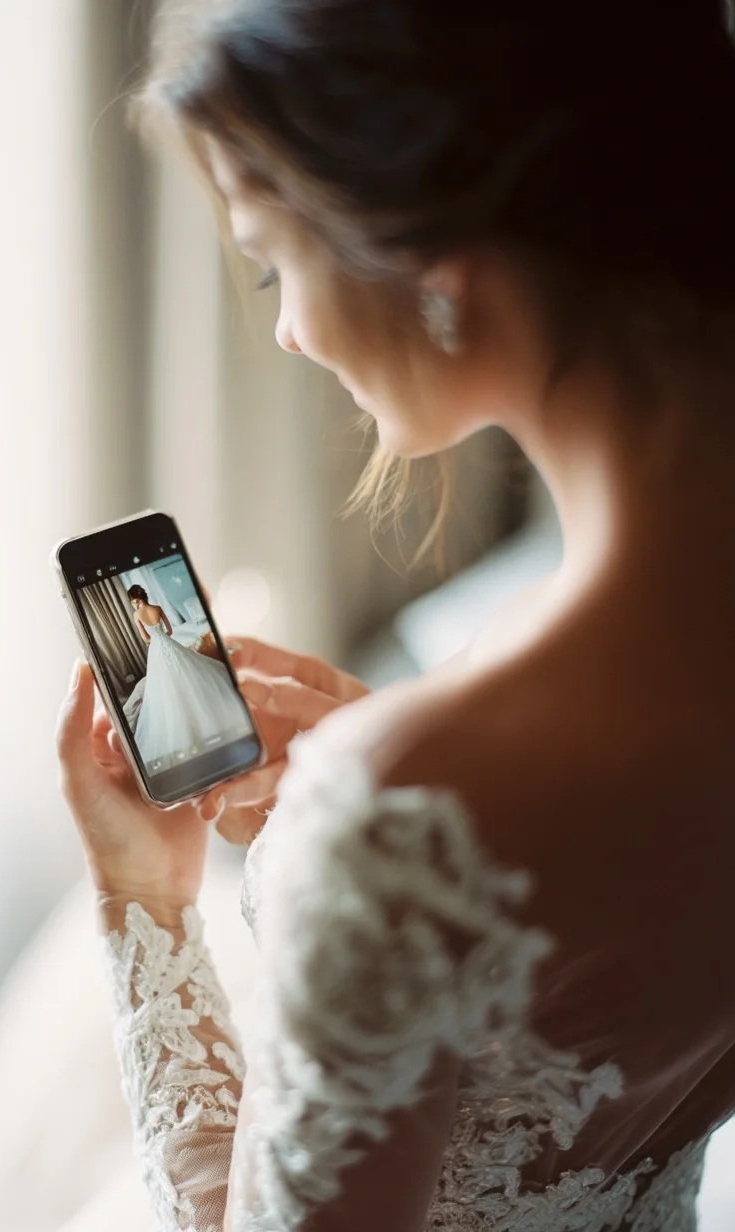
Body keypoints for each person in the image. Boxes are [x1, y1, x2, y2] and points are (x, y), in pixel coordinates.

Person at [56, 2, 735, 1229]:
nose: (284, 327)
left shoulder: (399, 803)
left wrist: (140, 899)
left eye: (273, 262)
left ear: (439, 277)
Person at [127, 584, 252, 765]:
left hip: (156, 648)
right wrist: (162, 635)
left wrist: (153, 639)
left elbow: (146, 638)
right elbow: (169, 631)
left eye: (132, 601)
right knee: (188, 668)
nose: (133, 604)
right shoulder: (158, 608)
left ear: (136, 600)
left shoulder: (137, 615)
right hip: (169, 643)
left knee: (162, 682)